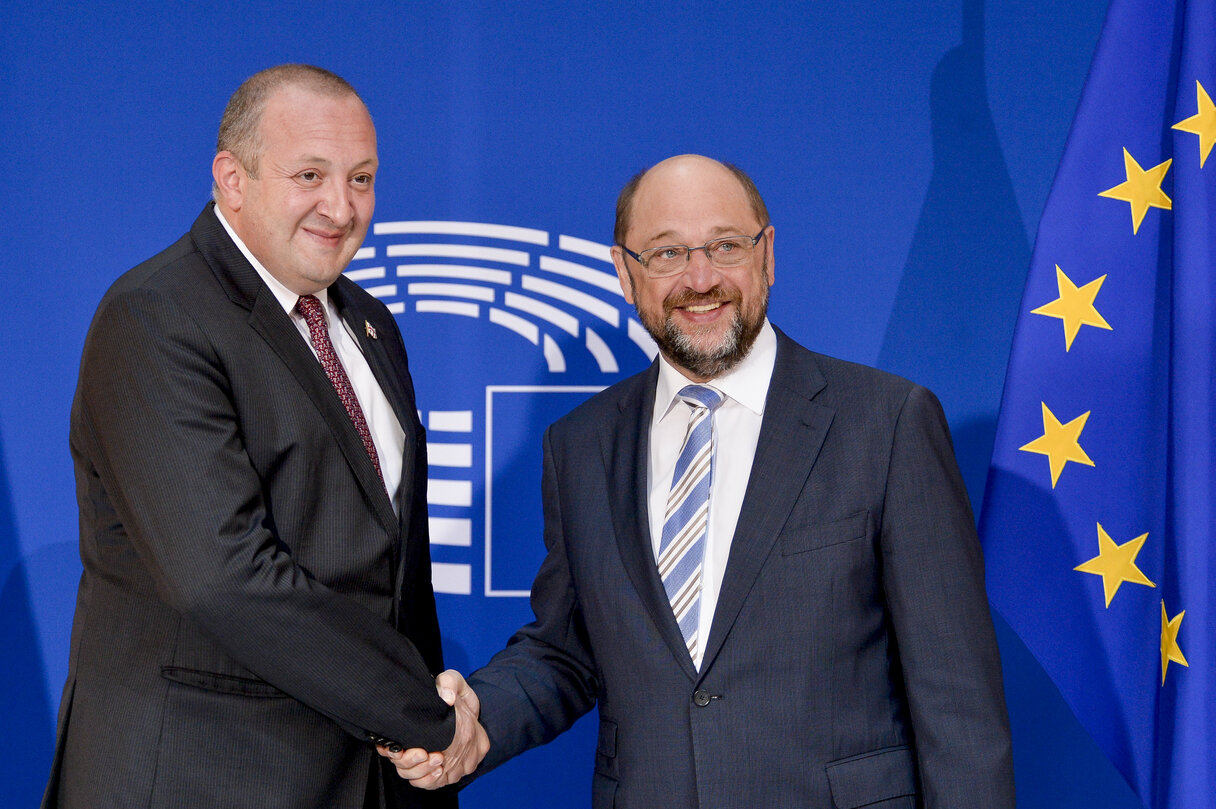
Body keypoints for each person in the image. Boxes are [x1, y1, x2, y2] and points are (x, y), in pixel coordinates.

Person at [387, 154, 1016, 807]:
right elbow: (566, 651)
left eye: (725, 245)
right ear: (625, 274)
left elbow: (957, 701)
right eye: (665, 253)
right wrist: (475, 719)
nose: (700, 277)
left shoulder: (885, 422)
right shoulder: (580, 444)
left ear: (767, 255)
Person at [42, 64, 486, 809]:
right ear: (232, 179)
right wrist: (425, 716)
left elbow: (390, 576)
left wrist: (426, 755)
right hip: (207, 777)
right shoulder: (156, 317)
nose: (341, 207)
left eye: (363, 178)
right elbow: (224, 577)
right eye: (309, 173)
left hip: (370, 777)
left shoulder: (370, 325)